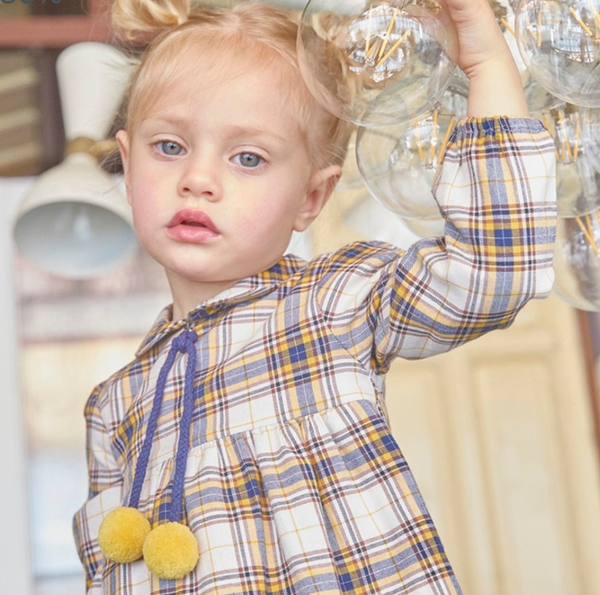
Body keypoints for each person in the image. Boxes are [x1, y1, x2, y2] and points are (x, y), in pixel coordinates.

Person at [73, 0, 557, 593]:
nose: (198, 178)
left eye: (248, 157)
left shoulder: (336, 303)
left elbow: (493, 266)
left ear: (311, 198)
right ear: (126, 164)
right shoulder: (112, 406)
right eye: (169, 146)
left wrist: (484, 65)